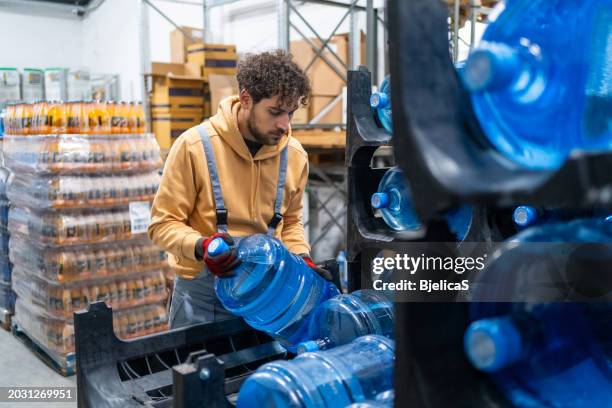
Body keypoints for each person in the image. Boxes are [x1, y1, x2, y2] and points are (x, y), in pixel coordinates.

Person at [148, 50, 332, 329]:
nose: (285, 124)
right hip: (201, 301)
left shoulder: (295, 156)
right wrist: (202, 246)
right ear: (246, 99)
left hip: (267, 299)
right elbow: (162, 225)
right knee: (196, 373)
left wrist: (302, 258)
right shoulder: (194, 147)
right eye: (275, 112)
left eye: (291, 113)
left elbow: (291, 223)